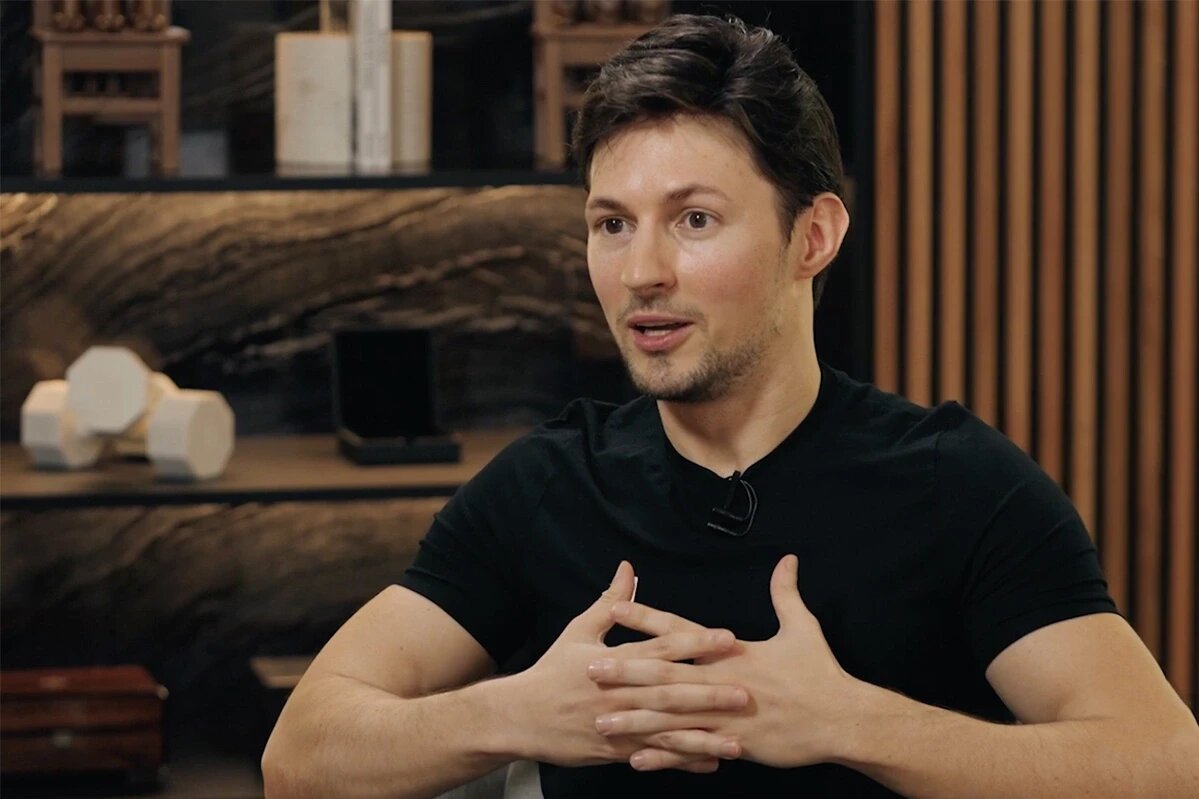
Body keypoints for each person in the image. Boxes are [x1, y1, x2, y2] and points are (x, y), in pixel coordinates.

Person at [261, 14, 1199, 798]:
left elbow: (1163, 761)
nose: (641, 271)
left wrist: (852, 722)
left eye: (694, 219)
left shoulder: (956, 484)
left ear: (812, 236)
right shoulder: (546, 485)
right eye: (611, 223)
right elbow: (300, 755)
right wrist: (516, 712)